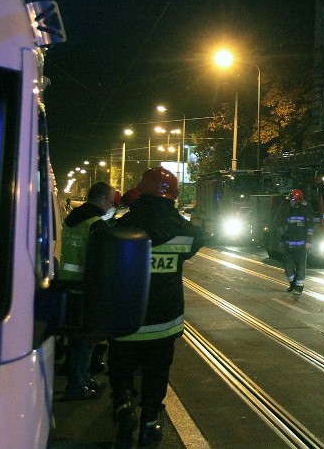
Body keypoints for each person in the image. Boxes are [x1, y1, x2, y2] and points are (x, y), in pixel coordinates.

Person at [108, 167, 204, 447]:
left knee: (121, 369)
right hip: (164, 321)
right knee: (157, 372)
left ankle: (124, 405)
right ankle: (150, 422)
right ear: (173, 196)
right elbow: (199, 238)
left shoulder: (123, 226)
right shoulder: (184, 232)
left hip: (126, 319)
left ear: (142, 191)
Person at [57, 181, 118, 400]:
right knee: (85, 340)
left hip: (67, 285)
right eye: (111, 201)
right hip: (86, 288)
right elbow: (102, 262)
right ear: (102, 199)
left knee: (77, 339)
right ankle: (77, 385)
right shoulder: (96, 224)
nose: (111, 205)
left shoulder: (72, 219)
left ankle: (82, 379)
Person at [280, 188, 315, 293]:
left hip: (301, 245)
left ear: (296, 199)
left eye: (291, 199)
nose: (290, 201)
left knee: (300, 267)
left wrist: (309, 241)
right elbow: (284, 227)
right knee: (287, 266)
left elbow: (309, 227)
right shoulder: (288, 210)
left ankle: (299, 288)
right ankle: (293, 283)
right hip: (289, 245)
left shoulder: (306, 209)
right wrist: (282, 240)